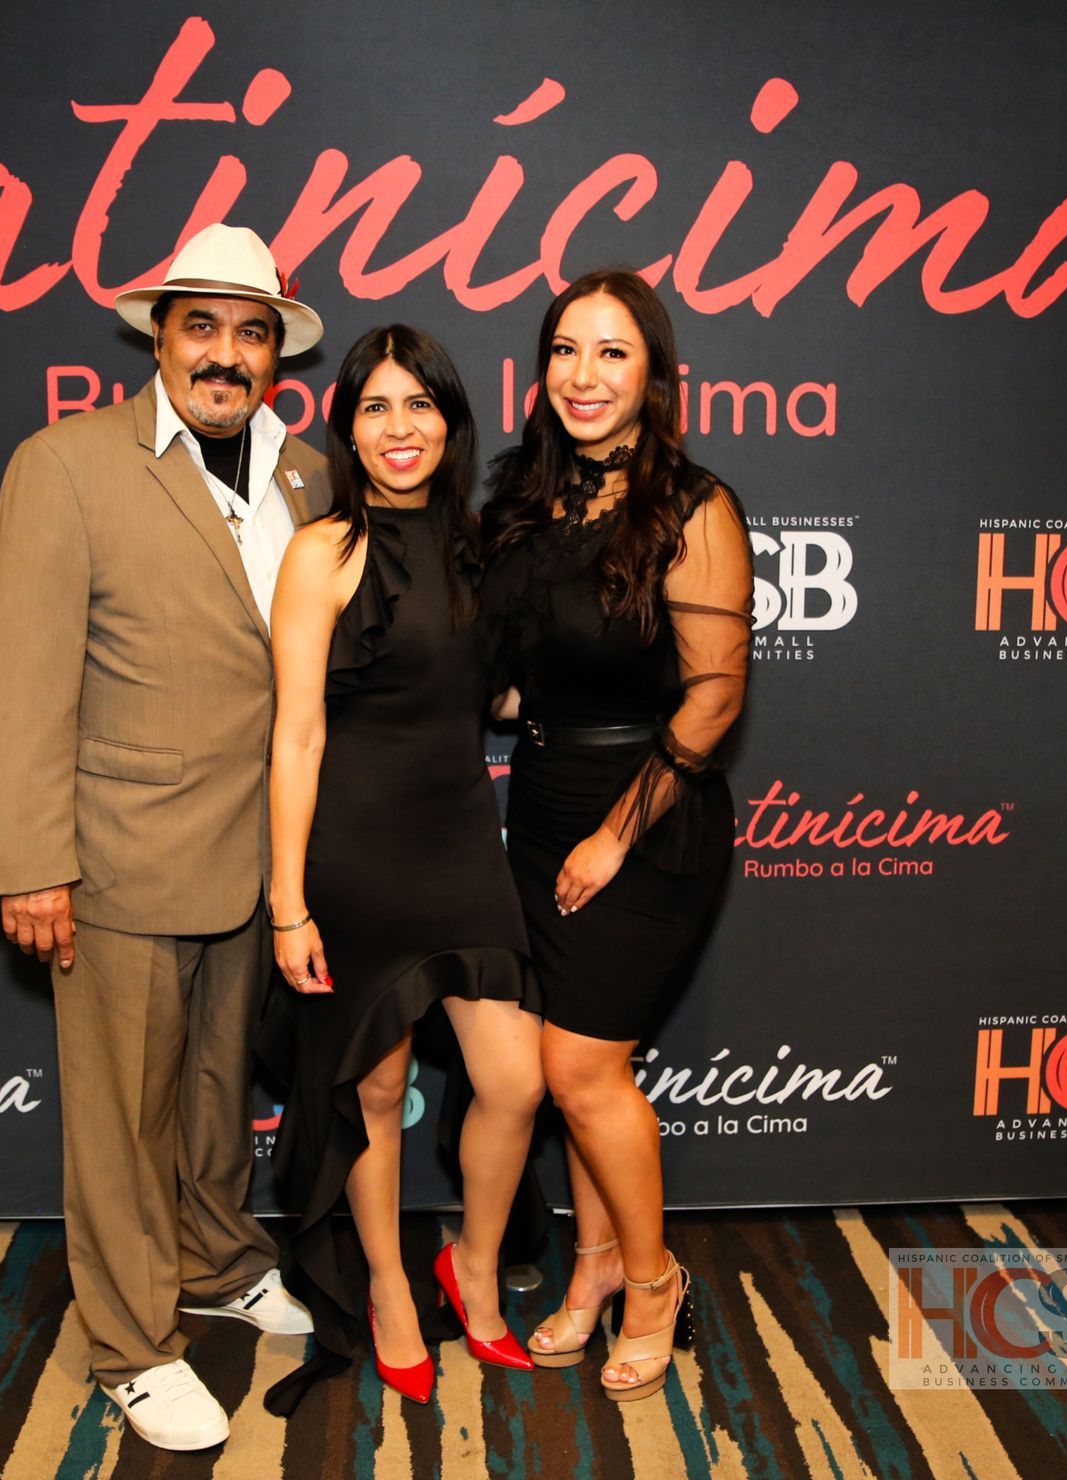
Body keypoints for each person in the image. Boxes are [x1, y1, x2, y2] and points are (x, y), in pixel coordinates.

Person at [0, 224, 330, 1452]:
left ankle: (219, 1260)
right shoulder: (67, 464)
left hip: (259, 856)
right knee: (123, 1115)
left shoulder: (306, 473)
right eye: (203, 326)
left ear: (278, 351)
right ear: (158, 335)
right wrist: (32, 858)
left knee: (221, 1093)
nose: (226, 355)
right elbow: (26, 677)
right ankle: (131, 1339)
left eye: (252, 332)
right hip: (122, 850)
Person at [481, 269, 752, 1403]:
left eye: (612, 353)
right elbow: (512, 663)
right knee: (578, 1067)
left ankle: (651, 1282)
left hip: (647, 814)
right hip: (537, 803)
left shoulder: (695, 507)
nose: (584, 376)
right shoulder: (525, 501)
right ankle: (589, 1269)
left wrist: (613, 834)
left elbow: (714, 697)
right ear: (541, 370)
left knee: (580, 1069)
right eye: (565, 351)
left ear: (653, 375)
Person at [265, 325, 545, 1407]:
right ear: (346, 427)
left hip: (464, 847)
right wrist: (288, 902)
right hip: (356, 859)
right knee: (374, 1087)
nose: (398, 429)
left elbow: (502, 700)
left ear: (450, 423)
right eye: (375, 407)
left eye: (418, 407)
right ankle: (387, 1287)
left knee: (513, 1080)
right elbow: (294, 736)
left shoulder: (481, 547)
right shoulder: (321, 554)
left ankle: (470, 1270)